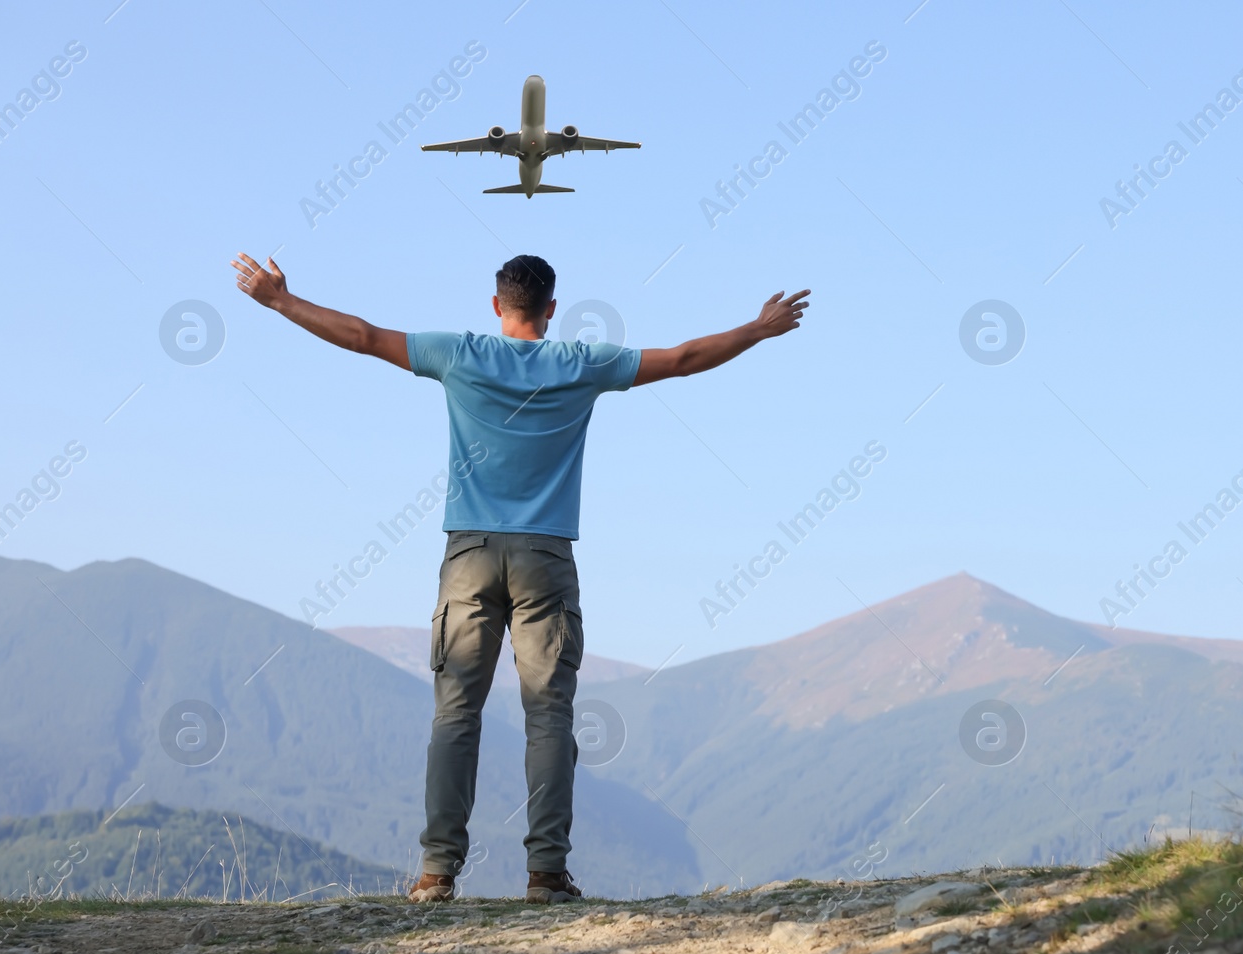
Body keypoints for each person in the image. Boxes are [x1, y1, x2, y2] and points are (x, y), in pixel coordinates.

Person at [231, 251, 810, 903]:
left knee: (455, 714)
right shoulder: (581, 364)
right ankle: (545, 874)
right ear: (552, 309)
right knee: (550, 715)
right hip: (545, 556)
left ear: (496, 305)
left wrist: (281, 301)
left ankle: (435, 873)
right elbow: (680, 358)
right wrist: (756, 329)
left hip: (469, 554)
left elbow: (363, 337)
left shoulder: (459, 353)